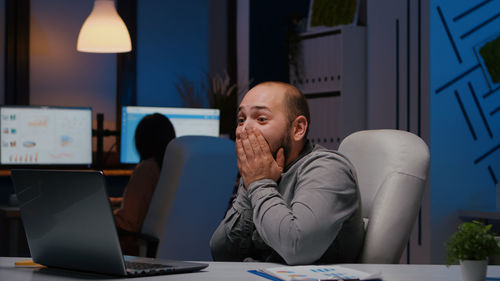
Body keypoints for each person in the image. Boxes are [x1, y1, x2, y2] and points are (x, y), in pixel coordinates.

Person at [210, 81, 365, 265]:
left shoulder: (328, 169)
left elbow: (298, 248)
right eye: (241, 120)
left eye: (261, 119)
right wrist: (249, 185)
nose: (243, 130)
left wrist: (259, 184)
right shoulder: (262, 172)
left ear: (298, 129)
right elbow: (221, 253)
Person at [111, 113, 176, 255]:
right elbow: (153, 202)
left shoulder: (147, 169)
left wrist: (102, 216)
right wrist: (116, 202)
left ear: (141, 141)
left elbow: (128, 224)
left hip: (137, 251)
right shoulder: (171, 167)